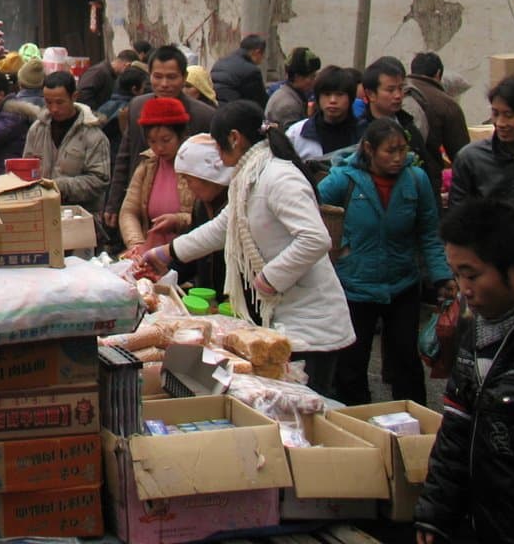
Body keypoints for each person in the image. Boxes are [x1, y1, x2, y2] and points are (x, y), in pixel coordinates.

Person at [142, 101, 354, 398]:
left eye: (217, 145)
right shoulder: (249, 177)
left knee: (304, 413)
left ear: (234, 138)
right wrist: (167, 253)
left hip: (313, 327)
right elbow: (222, 228)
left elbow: (315, 239)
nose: (217, 154)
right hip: (284, 318)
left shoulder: (279, 177)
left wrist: (270, 278)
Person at [415, 198, 514, 543]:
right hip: (483, 523)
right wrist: (436, 511)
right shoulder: (475, 330)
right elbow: (457, 426)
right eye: (456, 275)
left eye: (471, 275)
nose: (463, 289)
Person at [318, 118, 454, 406]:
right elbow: (309, 205)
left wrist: (442, 277)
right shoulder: (344, 180)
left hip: (402, 284)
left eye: (402, 150)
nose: (397, 158)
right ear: (369, 149)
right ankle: (358, 420)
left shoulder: (415, 181)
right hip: (354, 286)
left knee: (406, 358)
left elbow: (429, 233)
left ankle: (413, 419)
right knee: (352, 362)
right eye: (389, 151)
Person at [104, 45, 215, 230]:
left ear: (184, 78)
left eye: (171, 77)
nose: (164, 84)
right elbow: (124, 157)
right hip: (141, 202)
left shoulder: (204, 116)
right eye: (158, 76)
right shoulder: (137, 107)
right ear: (149, 76)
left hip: (189, 214)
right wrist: (114, 202)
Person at [21, 72, 111, 216]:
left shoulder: (93, 135)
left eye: (59, 102)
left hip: (80, 216)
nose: (54, 108)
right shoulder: (37, 129)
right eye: (48, 102)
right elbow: (26, 166)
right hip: (41, 213)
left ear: (74, 97)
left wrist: (59, 186)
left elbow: (100, 180)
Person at [448, 75, 514, 216]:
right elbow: (458, 218)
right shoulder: (471, 159)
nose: (500, 123)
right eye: (495, 113)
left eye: (509, 115)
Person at [118, 96, 196, 253]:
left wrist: (178, 220)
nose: (159, 148)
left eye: (166, 140)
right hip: (152, 253)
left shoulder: (196, 165)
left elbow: (210, 219)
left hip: (188, 255)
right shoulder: (148, 165)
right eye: (152, 141)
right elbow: (129, 211)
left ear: (181, 136)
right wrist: (136, 245)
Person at [172, 134, 232, 297]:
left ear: (208, 176)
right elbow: (192, 254)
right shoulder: (201, 206)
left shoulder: (235, 205)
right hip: (207, 298)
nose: (186, 186)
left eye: (188, 179)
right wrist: (163, 273)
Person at [361, 57, 435, 188]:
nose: (398, 95)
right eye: (390, 90)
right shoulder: (359, 129)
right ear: (371, 94)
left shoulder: (409, 127)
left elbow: (427, 171)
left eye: (401, 88)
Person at [406, 51, 471, 177]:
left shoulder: (396, 92)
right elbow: (461, 155)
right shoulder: (447, 105)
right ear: (438, 74)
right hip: (427, 176)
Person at [291, 65, 366, 160]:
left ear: (351, 98)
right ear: (318, 98)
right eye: (327, 94)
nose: (333, 100)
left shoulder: (364, 134)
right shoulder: (297, 133)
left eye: (339, 94)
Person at [265, 47, 322, 131]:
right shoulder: (289, 106)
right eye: (312, 76)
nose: (314, 81)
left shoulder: (287, 93)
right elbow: (294, 139)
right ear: (297, 77)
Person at [96, 66, 147, 150]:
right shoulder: (134, 110)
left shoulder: (105, 106)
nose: (143, 91)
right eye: (143, 88)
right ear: (134, 89)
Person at [211, 34, 268, 106]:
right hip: (234, 111)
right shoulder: (251, 71)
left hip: (214, 108)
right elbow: (260, 101)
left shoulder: (219, 63)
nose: (263, 58)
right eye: (263, 55)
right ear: (257, 52)